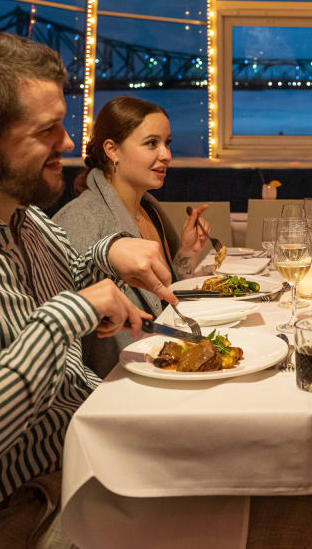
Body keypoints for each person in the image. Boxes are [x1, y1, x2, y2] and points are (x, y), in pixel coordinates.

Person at [0, 32, 312, 549]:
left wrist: (107, 254)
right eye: (45, 131)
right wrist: (71, 312)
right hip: (9, 529)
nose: (67, 142)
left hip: (83, 468)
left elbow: (69, 266)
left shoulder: (25, 222)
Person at [54, 96, 211, 377]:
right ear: (112, 150)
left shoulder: (149, 209)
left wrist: (187, 252)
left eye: (167, 143)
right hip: (115, 380)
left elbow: (165, 298)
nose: (166, 155)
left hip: (164, 364)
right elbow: (64, 328)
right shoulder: (80, 219)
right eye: (152, 143)